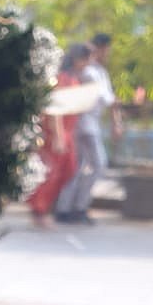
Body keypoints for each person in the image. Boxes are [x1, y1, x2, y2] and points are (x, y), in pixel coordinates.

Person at [55, 32, 123, 224]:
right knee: (95, 165)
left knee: (82, 168)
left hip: (92, 124)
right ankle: (72, 207)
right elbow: (105, 98)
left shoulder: (100, 71)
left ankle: (72, 207)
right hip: (81, 125)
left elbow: (109, 99)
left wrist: (116, 122)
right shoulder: (84, 70)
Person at [28, 42, 92, 228]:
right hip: (57, 133)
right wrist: (57, 135)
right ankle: (38, 209)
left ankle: (43, 208)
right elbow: (55, 108)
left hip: (67, 133)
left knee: (68, 169)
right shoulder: (61, 78)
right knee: (52, 172)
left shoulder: (73, 78)